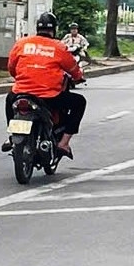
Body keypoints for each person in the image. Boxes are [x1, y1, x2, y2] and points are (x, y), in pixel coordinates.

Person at [5, 12, 86, 159]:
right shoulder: (59, 47)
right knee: (79, 102)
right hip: (49, 96)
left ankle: (11, 136)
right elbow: (74, 70)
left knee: (9, 100)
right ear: (54, 29)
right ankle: (64, 143)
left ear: (37, 28)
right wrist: (79, 77)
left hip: (21, 92)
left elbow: (11, 67)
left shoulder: (22, 43)